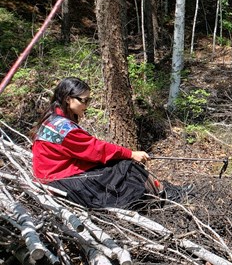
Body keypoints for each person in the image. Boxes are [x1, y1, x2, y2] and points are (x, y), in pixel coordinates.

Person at [31, 77, 187, 208]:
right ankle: (163, 197)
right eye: (84, 101)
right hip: (60, 183)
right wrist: (130, 154)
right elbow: (96, 149)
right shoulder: (64, 129)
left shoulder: (53, 119)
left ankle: (161, 191)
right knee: (127, 168)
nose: (87, 106)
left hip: (56, 176)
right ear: (67, 99)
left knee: (120, 167)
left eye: (89, 100)